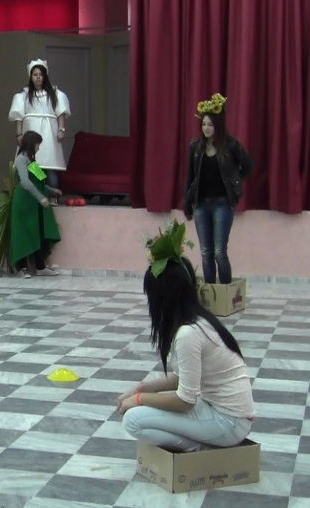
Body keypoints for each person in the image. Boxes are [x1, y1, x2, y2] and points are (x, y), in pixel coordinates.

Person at [117, 220, 254, 452]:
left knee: (133, 420)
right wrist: (143, 388)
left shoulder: (188, 334)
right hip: (224, 413)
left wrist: (139, 399)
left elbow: (185, 401)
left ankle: (201, 451)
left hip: (229, 422)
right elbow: (183, 378)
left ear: (163, 297)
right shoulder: (199, 321)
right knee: (141, 411)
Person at [184, 93, 254, 284]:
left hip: (222, 204)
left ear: (218, 126)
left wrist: (235, 182)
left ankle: (226, 293)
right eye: (204, 124)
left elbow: (248, 164)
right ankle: (210, 293)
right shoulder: (195, 147)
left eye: (210, 124)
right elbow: (190, 177)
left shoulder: (230, 145)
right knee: (205, 252)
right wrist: (187, 204)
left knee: (219, 252)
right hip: (201, 205)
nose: (206, 128)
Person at [8, 58, 71, 204]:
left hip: (49, 133)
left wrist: (61, 129)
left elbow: (61, 113)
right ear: (31, 76)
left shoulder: (55, 94)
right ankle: (35, 196)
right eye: (35, 74)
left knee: (49, 166)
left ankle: (53, 196)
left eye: (40, 74)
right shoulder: (23, 96)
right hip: (31, 130)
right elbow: (18, 116)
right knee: (32, 165)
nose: (38, 77)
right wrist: (19, 134)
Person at [9, 131, 62, 277]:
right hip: (23, 203)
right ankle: (20, 268)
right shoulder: (21, 159)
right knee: (22, 235)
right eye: (38, 144)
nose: (39, 147)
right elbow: (25, 182)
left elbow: (39, 181)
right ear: (31, 144)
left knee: (36, 234)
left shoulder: (31, 160)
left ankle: (40, 267)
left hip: (32, 204)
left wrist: (52, 191)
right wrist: (41, 198)